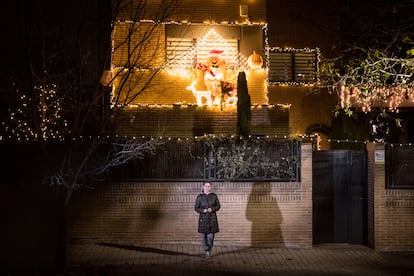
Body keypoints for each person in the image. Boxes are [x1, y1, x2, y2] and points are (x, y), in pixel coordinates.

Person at [195, 182, 221, 259]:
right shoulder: (200, 197)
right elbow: (196, 208)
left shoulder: (214, 196)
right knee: (204, 237)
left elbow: (218, 206)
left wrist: (212, 209)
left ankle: (208, 249)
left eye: (209, 186)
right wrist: (203, 210)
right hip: (203, 219)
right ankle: (206, 250)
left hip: (212, 219)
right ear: (203, 187)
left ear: (211, 187)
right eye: (206, 186)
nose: (207, 187)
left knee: (210, 237)